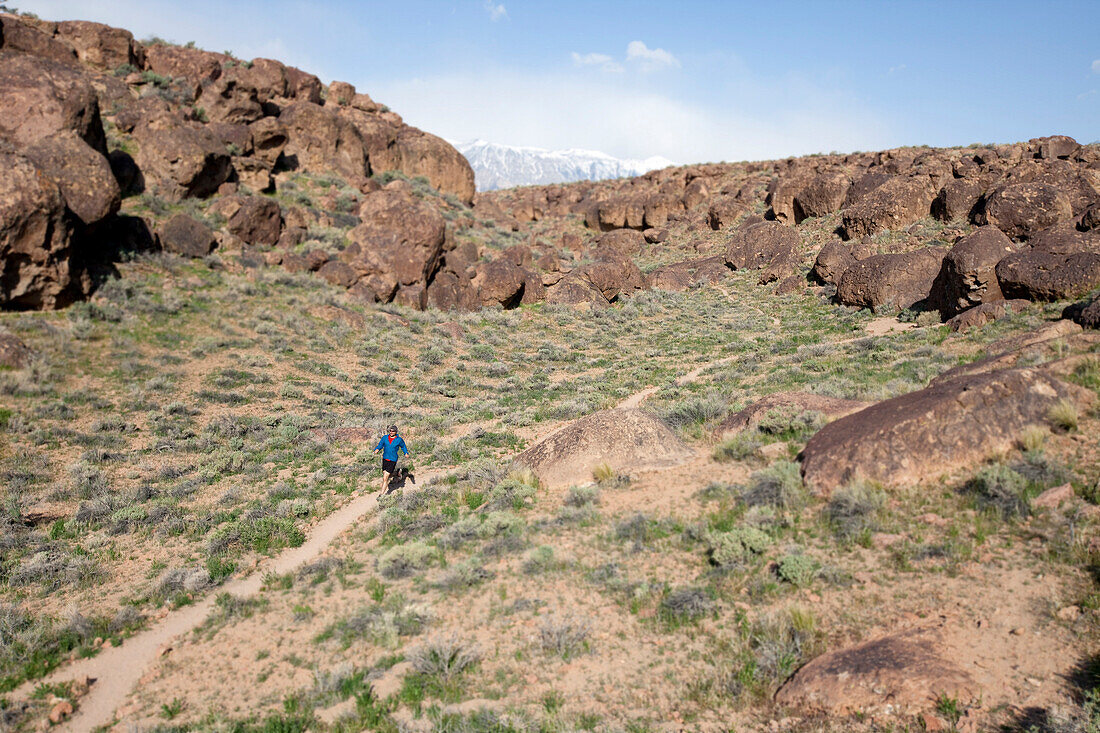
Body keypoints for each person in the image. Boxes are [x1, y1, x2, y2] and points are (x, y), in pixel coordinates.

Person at [373, 424, 409, 495]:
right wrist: (377, 449)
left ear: (396, 432)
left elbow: (403, 446)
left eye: (393, 431)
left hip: (393, 459)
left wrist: (406, 453)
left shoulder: (399, 440)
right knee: (385, 474)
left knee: (385, 477)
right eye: (390, 431)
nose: (391, 432)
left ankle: (382, 494)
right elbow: (380, 444)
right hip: (385, 458)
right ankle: (396, 473)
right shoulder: (385, 438)